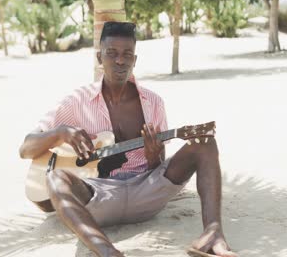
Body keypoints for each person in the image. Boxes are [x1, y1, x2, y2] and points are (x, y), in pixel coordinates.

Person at [19, 21, 237, 257]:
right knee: (55, 178)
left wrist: (153, 157)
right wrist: (61, 132)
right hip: (97, 196)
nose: (120, 61)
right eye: (112, 53)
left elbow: (158, 166)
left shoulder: (153, 102)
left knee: (205, 143)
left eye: (127, 54)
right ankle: (108, 252)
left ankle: (213, 234)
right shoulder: (75, 102)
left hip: (146, 192)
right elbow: (26, 148)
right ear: (99, 57)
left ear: (135, 59)